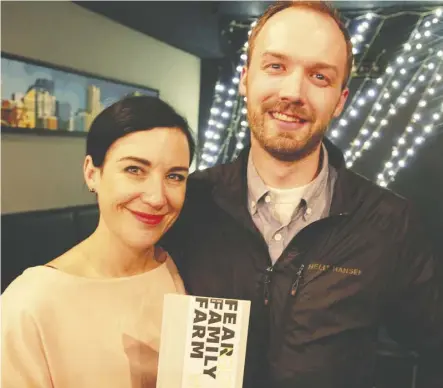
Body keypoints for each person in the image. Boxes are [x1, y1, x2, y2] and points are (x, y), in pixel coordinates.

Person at [162, 1, 443, 387]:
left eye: (320, 77)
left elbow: (432, 342)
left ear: (341, 101)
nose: (293, 92)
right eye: (275, 66)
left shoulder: (389, 221)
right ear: (245, 80)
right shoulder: (187, 205)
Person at [1, 95, 195, 387]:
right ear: (92, 173)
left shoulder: (181, 271)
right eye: (134, 170)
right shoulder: (30, 305)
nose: (157, 197)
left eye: (175, 176)